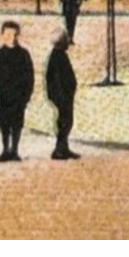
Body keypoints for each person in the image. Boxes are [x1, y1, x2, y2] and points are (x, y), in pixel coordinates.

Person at [0, 20, 34, 161]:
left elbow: (29, 76)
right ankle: (5, 149)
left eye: (15, 34)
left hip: (18, 96)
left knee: (16, 124)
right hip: (3, 96)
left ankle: (14, 150)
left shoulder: (23, 54)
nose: (12, 38)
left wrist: (26, 96)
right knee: (4, 125)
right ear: (2, 35)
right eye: (8, 34)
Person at [46, 26, 80, 160]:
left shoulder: (58, 55)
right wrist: (62, 96)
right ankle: (60, 149)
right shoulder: (58, 57)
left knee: (66, 121)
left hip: (64, 95)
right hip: (62, 96)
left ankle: (63, 147)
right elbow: (57, 79)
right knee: (65, 121)